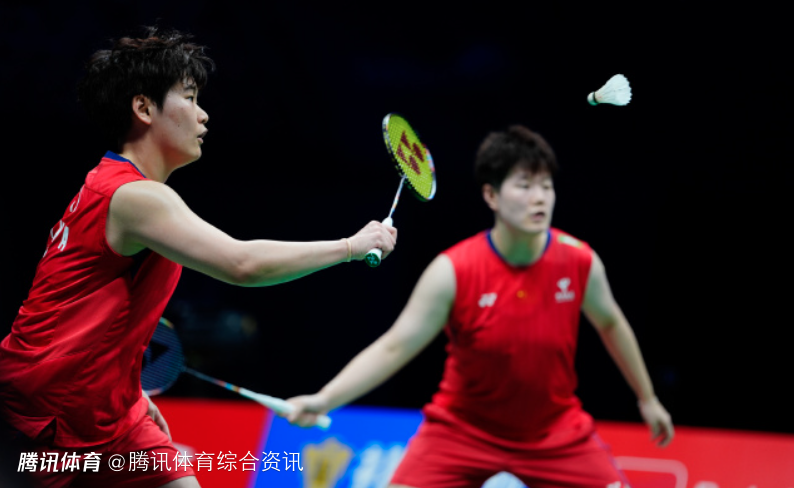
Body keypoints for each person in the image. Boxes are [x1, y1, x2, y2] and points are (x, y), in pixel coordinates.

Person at [0, 26, 396, 488]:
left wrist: (127, 388)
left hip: (112, 407)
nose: (204, 114)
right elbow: (242, 264)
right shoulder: (135, 198)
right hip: (49, 411)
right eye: (189, 98)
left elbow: (92, 309)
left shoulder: (113, 186)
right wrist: (350, 246)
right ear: (143, 108)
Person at [286, 125, 674, 488]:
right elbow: (395, 346)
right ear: (491, 196)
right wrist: (326, 399)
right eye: (525, 185)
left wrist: (648, 398)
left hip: (554, 431)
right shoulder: (454, 270)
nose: (540, 197)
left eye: (546, 186)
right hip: (462, 430)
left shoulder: (579, 261)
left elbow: (611, 323)